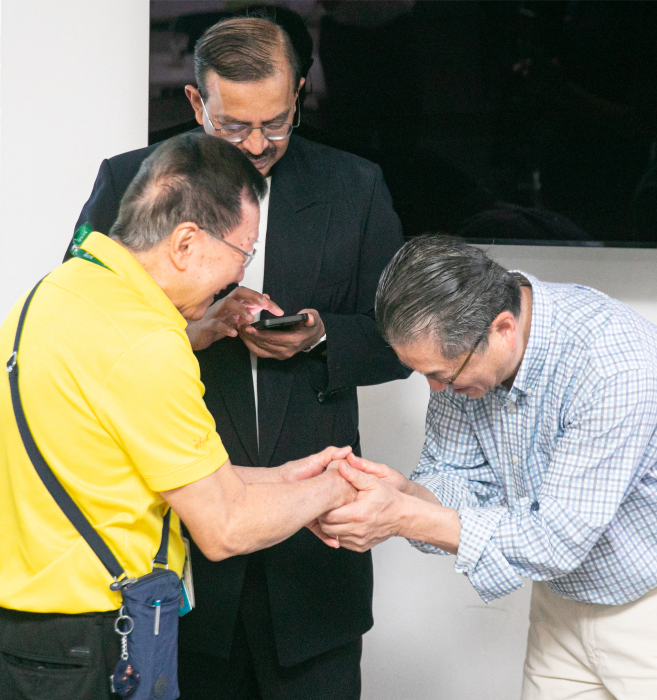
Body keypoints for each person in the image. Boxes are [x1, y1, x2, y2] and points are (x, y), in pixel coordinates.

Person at [70, 15, 408, 700]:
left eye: (275, 124)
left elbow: (401, 339)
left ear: (300, 93)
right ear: (197, 102)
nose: (256, 145)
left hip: (315, 559)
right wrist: (194, 326)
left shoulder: (356, 185)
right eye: (233, 127)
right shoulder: (130, 179)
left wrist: (321, 335)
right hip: (183, 545)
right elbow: (85, 325)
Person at [0, 133, 358, 700]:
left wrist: (286, 480)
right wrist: (336, 489)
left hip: (3, 633)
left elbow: (139, 472)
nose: (239, 274)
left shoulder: (59, 291)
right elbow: (225, 527)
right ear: (186, 243)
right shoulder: (146, 344)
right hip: (83, 649)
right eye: (242, 251)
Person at [317, 236, 657, 699]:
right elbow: (455, 473)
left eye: (443, 375)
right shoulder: (462, 352)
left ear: (503, 328)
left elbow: (557, 539)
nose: (436, 390)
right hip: (563, 600)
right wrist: (407, 495)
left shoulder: (613, 365)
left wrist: (405, 517)